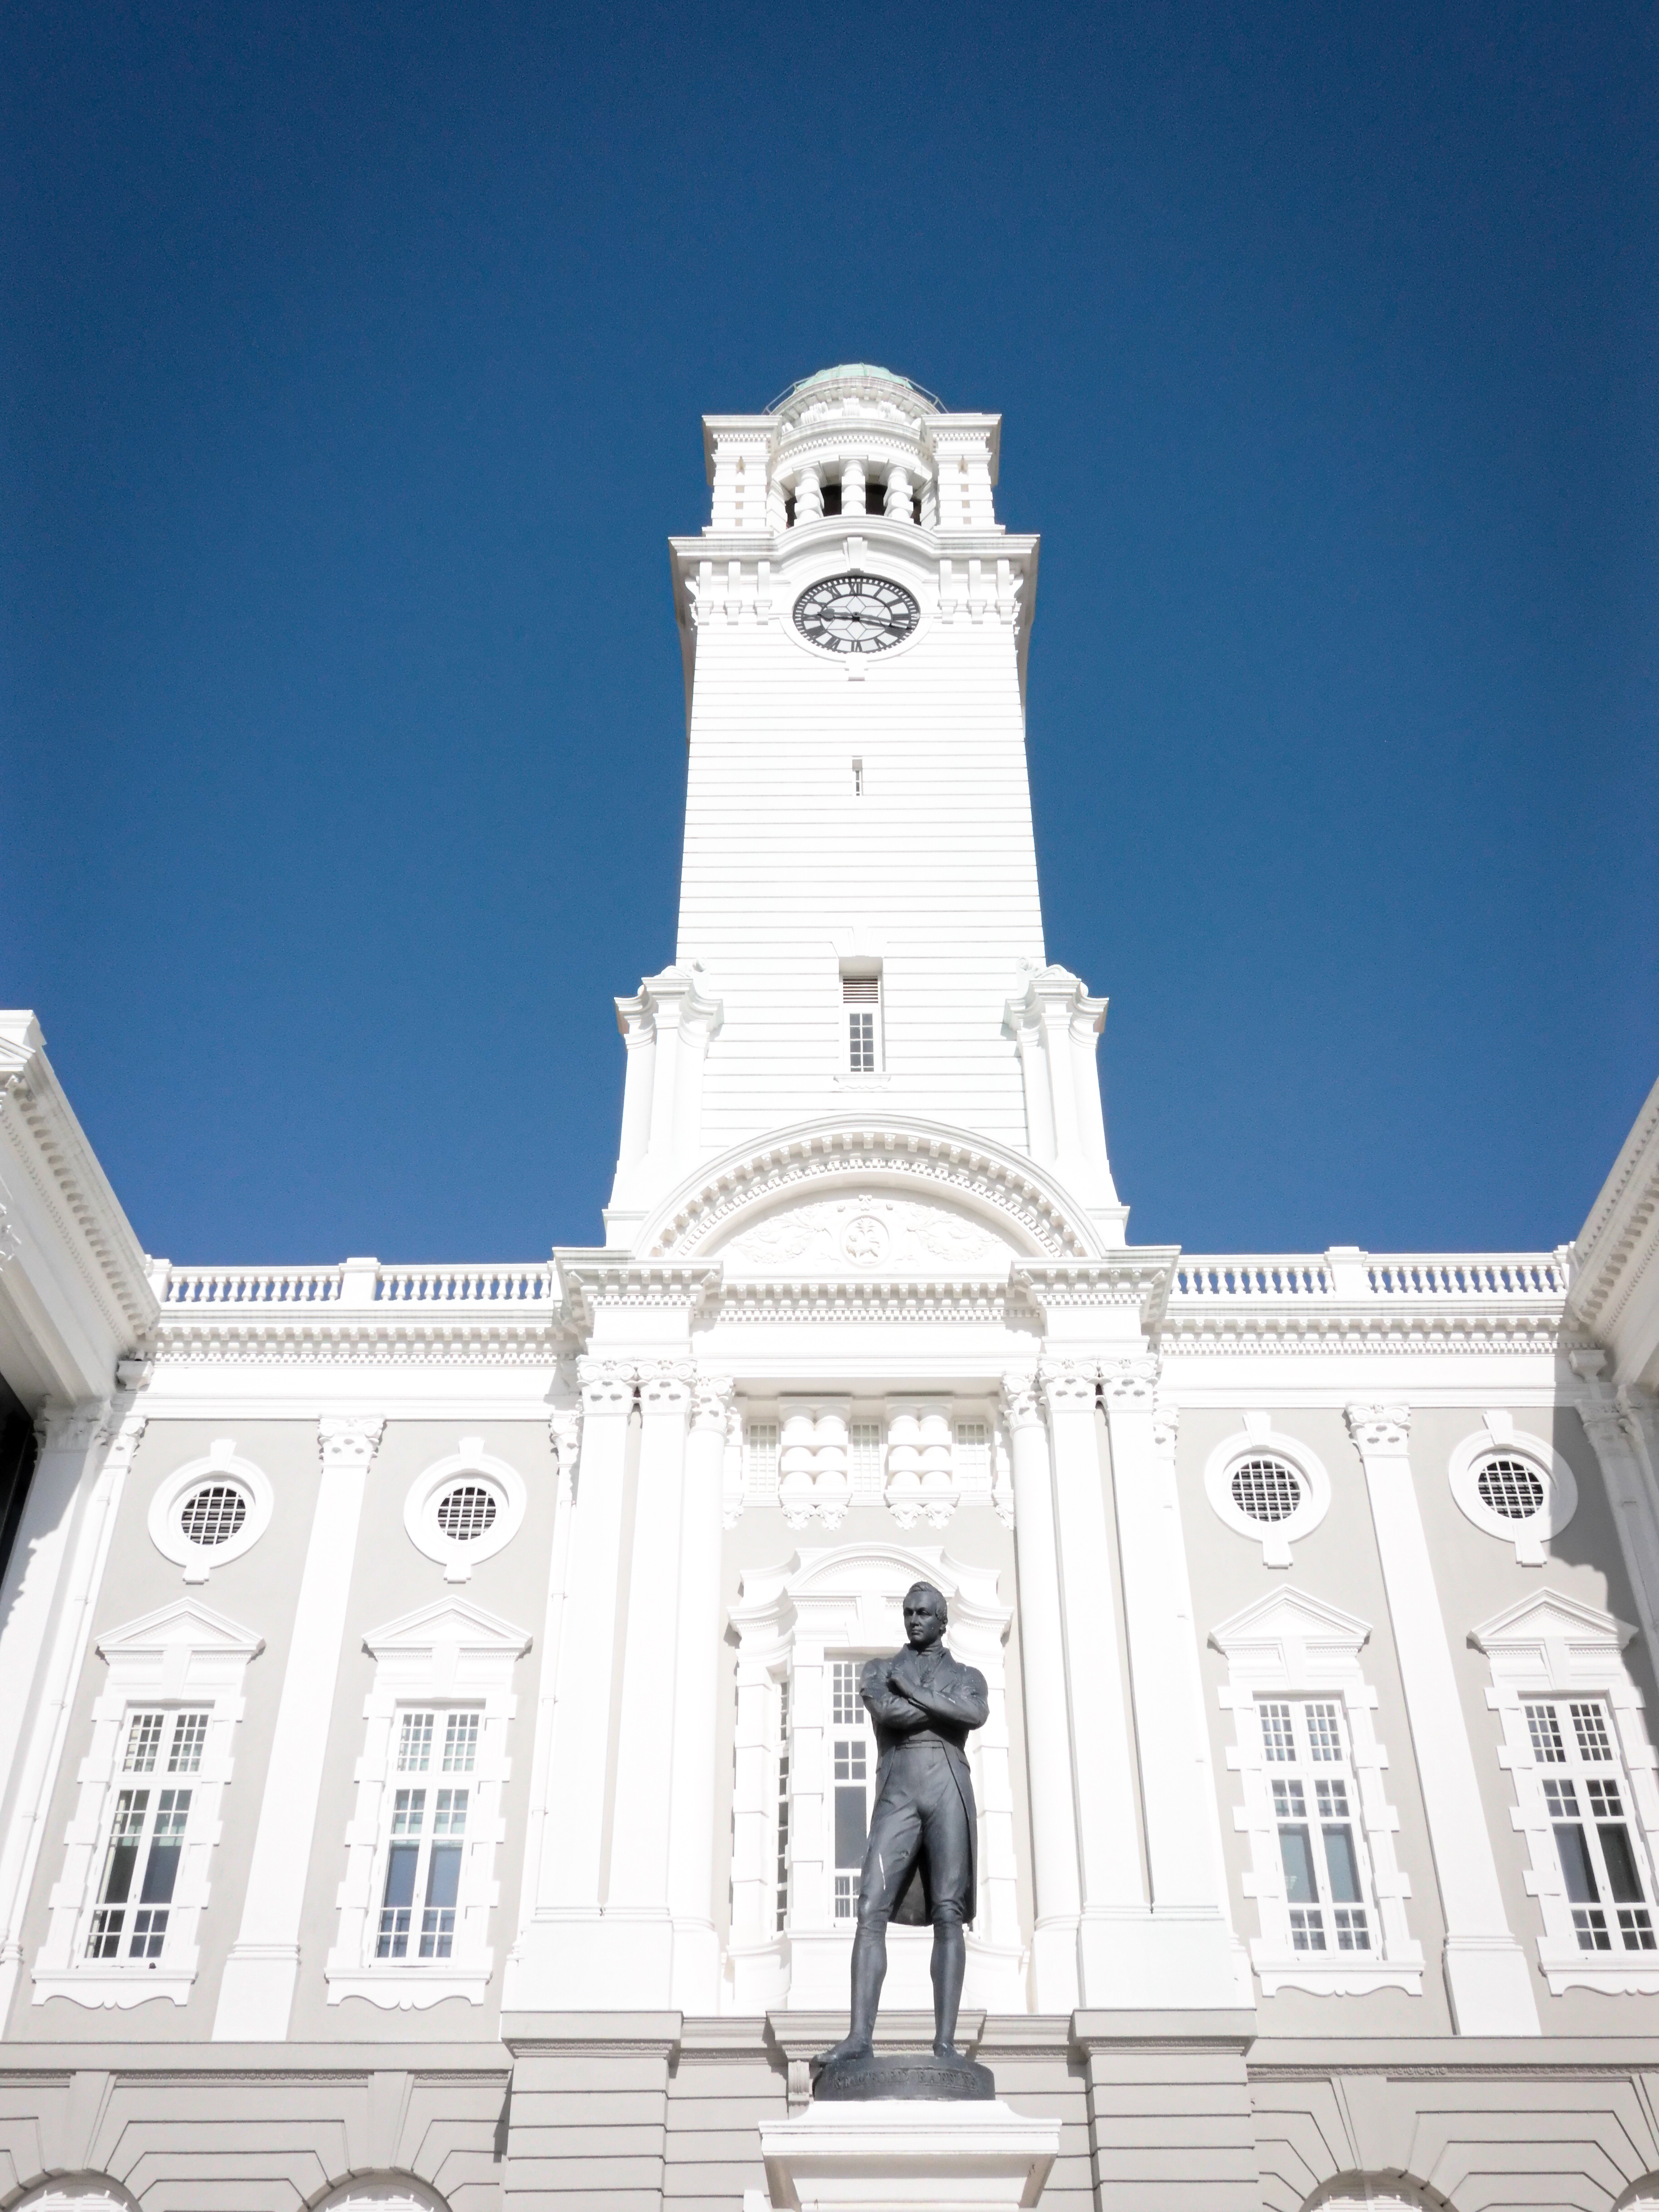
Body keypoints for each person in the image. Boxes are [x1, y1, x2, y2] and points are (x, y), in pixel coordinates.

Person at [815, 1580, 989, 2070]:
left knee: (950, 1910)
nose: (914, 1619)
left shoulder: (968, 1674)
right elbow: (886, 1710)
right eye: (909, 1612)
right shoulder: (879, 1670)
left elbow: (973, 1712)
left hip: (949, 1788)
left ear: (942, 1621)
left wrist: (913, 1691)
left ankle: (946, 2044)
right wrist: (939, 1705)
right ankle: (858, 2036)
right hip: (900, 1790)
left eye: (924, 1613)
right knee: (871, 1903)